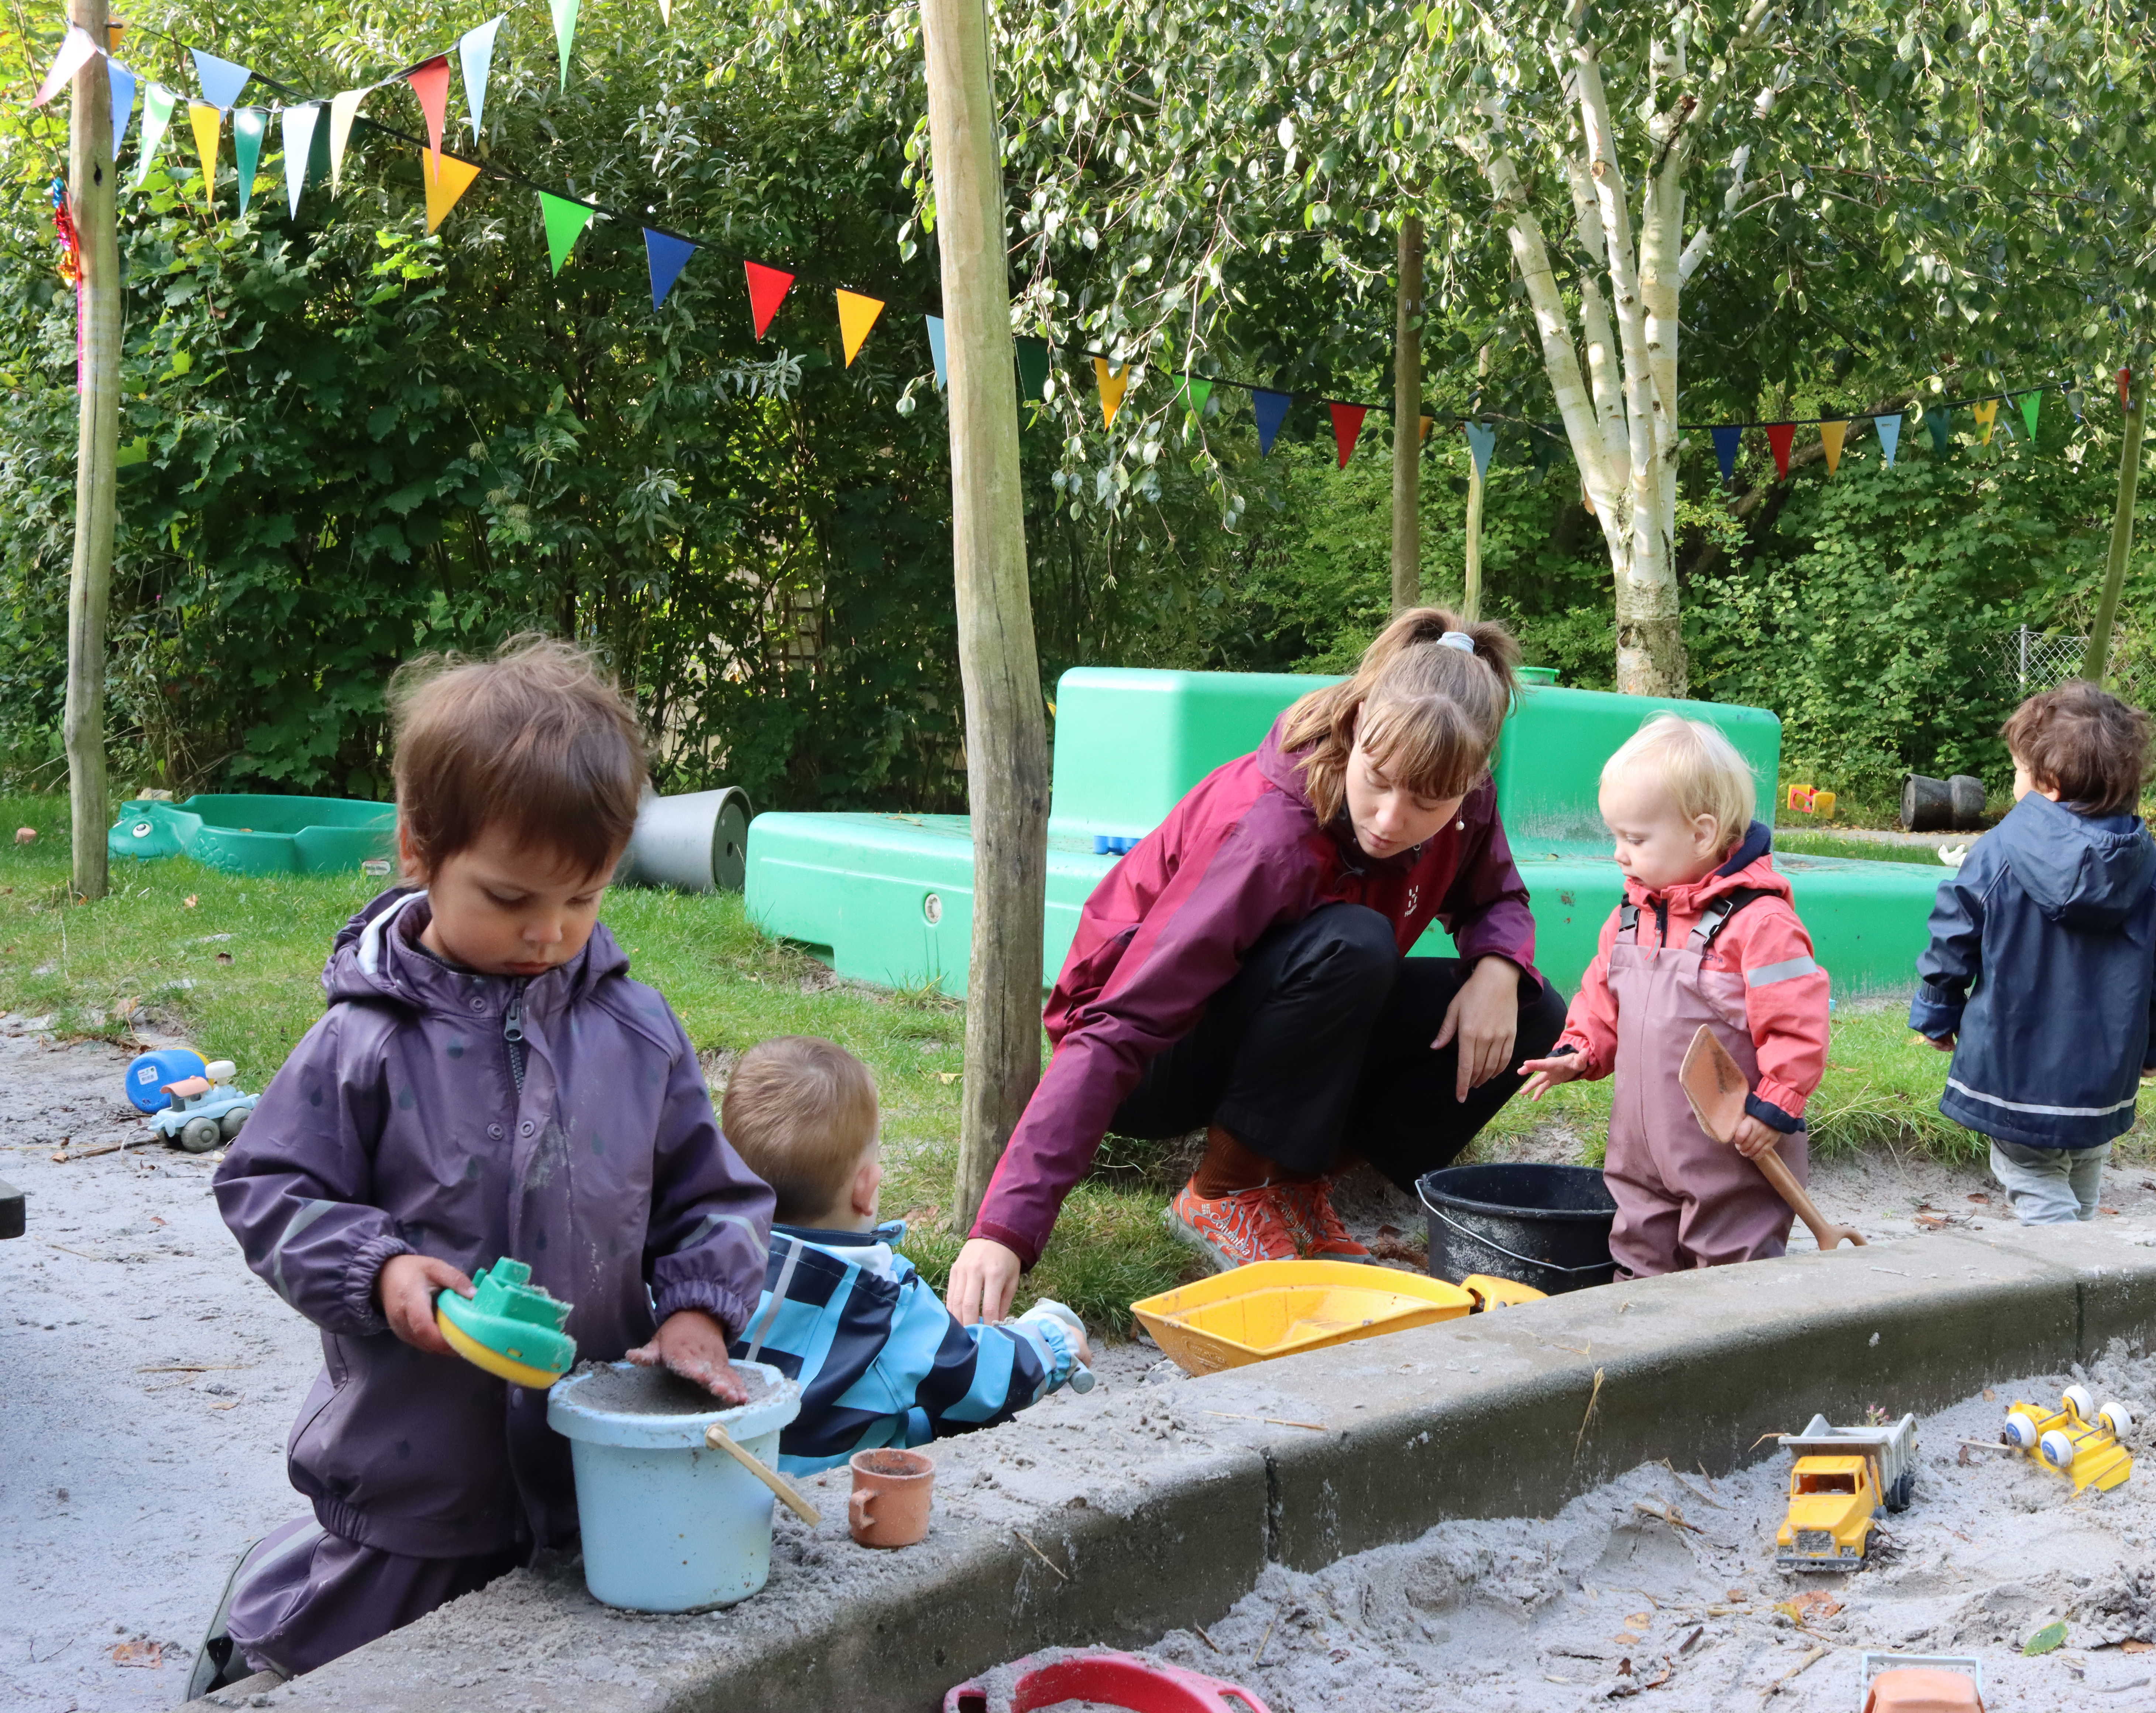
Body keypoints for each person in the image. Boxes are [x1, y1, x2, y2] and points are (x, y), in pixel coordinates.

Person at [194, 638, 772, 1694]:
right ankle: (253, 1646)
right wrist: (378, 1269)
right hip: (415, 1469)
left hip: (591, 1470)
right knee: (371, 1667)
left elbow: (714, 1197)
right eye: (510, 900)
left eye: (585, 899)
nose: (548, 933)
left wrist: (701, 1310)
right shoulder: (363, 1044)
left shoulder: (637, 1034)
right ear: (420, 849)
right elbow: (268, 1190)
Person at [946, 608, 1569, 1317]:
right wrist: (1005, 1230)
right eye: (1379, 780)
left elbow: (1499, 899)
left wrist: (1496, 966)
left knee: (1529, 1009)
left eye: (1428, 802)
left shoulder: (1462, 792)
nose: (1393, 819)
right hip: (1157, 1061)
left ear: (1472, 780)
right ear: (1358, 722)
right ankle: (1225, 1193)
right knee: (1355, 943)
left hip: (1291, 1007)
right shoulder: (1267, 833)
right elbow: (1120, 1022)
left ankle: (1298, 1188)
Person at [1519, 714, 1832, 1274]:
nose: (1619, 853)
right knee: (1637, 1250)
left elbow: (1797, 1022)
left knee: (1732, 1263)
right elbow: (1602, 997)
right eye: (1616, 836)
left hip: (1732, 1148)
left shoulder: (1760, 924)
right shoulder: (1630, 918)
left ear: (1703, 833)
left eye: (1635, 839)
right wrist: (1578, 1051)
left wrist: (1776, 1105)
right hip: (1640, 1149)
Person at [718, 1036, 1091, 1467]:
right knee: (937, 1398)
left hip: (725, 1474)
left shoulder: (692, 1265)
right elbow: (978, 1374)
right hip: (828, 1486)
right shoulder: (881, 1304)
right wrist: (1052, 1342)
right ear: (867, 1189)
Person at [1909, 680, 2156, 1224]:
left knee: (2036, 1181)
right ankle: (2085, 1272)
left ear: (2052, 784)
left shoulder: (1998, 852)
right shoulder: (2150, 865)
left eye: (2019, 771)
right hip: (2105, 1070)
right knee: (2084, 1168)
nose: (2014, 783)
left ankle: (2069, 1286)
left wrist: (1936, 1012)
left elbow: (1954, 937)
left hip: (2017, 1068)